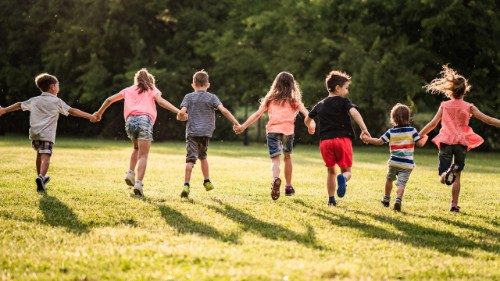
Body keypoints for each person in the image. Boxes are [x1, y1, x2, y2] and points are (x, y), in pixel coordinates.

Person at [419, 65, 500, 212]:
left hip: (446, 142)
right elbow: (488, 120)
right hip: (461, 143)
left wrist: (419, 134)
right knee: (457, 174)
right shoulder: (469, 106)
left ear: (451, 90)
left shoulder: (445, 105)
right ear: (465, 90)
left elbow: (433, 123)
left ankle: (446, 173)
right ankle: (454, 205)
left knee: (443, 175)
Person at [94, 68, 184, 197]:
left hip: (130, 122)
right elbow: (161, 101)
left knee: (136, 148)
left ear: (136, 80)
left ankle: (130, 173)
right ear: (150, 81)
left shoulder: (128, 90)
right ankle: (138, 183)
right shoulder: (152, 89)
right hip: (144, 121)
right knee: (143, 155)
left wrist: (99, 113)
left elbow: (109, 100)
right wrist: (178, 111)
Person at [0, 73, 97, 192]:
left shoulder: (35, 100)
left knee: (39, 155)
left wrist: (4, 110)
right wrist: (90, 116)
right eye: (58, 85)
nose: (58, 86)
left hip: (35, 134)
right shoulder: (57, 101)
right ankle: (41, 177)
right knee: (46, 157)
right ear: (52, 87)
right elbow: (72, 111)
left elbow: (20, 105)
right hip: (47, 135)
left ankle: (40, 177)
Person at [234, 71, 315, 200]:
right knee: (287, 158)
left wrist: (243, 126)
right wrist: (311, 125)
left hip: (272, 131)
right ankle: (288, 187)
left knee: (275, 160)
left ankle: (276, 179)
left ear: (276, 84)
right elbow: (307, 114)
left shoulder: (270, 99)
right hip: (288, 132)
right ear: (292, 85)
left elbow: (257, 114)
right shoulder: (294, 100)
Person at [304, 70, 369, 206]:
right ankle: (343, 179)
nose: (347, 91)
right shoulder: (344, 102)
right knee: (347, 172)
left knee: (330, 171)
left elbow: (307, 119)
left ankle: (331, 200)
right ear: (338, 88)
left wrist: (310, 127)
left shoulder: (320, 104)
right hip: (342, 141)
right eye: (346, 88)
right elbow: (354, 113)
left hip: (325, 143)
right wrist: (364, 129)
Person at [176, 70, 240, 198]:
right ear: (208, 84)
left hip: (192, 133)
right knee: (203, 157)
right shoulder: (212, 97)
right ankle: (207, 181)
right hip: (205, 133)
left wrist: (180, 117)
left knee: (190, 160)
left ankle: (186, 185)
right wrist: (236, 123)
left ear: (193, 84)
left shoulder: (188, 97)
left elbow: (181, 113)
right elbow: (224, 111)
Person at [361, 103, 428, 211]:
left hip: (394, 162)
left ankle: (386, 199)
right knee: (401, 184)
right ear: (408, 117)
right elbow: (420, 144)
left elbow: (379, 141)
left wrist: (368, 139)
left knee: (389, 179)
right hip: (407, 164)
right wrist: (425, 137)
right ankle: (398, 200)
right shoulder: (412, 131)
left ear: (393, 118)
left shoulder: (391, 132)